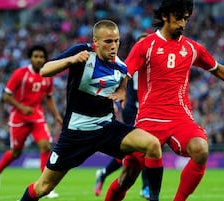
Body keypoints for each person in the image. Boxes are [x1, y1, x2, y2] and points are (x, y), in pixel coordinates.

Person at [104, 0, 224, 201]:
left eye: (186, 18)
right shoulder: (146, 45)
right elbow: (127, 71)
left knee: (201, 149)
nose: (182, 23)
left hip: (180, 119)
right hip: (149, 119)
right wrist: (121, 89)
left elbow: (218, 69)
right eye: (178, 18)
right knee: (127, 176)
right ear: (165, 16)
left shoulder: (191, 48)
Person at [18, 19, 163, 201]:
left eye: (117, 41)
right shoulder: (82, 52)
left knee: (152, 145)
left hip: (106, 128)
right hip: (76, 133)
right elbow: (44, 70)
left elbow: (125, 82)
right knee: (44, 187)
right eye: (108, 41)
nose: (114, 46)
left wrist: (123, 92)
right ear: (96, 41)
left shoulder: (121, 66)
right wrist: (70, 60)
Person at [0, 45, 63, 198]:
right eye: (35, 56)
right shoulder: (20, 74)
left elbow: (48, 97)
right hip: (19, 118)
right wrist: (21, 107)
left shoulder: (47, 75)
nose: (38, 59)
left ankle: (45, 184)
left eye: (41, 57)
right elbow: (6, 95)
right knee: (16, 152)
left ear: (45, 59)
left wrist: (56, 115)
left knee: (45, 146)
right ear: (30, 58)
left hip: (36, 116)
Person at [94, 33, 150, 199]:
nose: (143, 48)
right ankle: (146, 187)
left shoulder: (156, 65)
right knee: (144, 148)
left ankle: (104, 173)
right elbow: (114, 82)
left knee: (136, 151)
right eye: (140, 44)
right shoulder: (128, 65)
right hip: (132, 111)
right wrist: (113, 101)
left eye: (146, 44)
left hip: (149, 111)